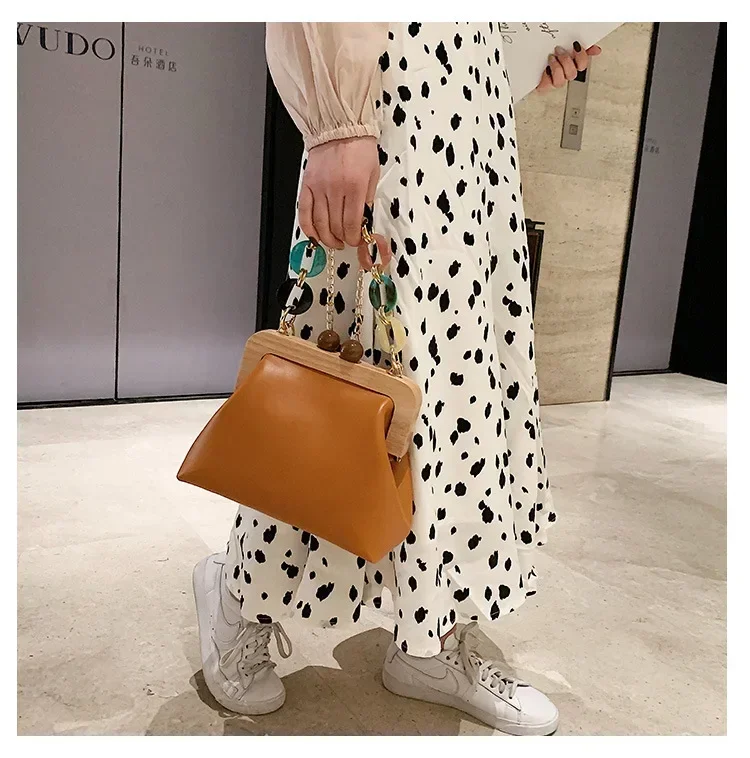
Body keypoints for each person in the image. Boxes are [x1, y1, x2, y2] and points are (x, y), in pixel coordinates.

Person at [192, 22, 601, 736]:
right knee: (336, 383)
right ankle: (239, 594)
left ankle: (429, 638)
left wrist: (527, 59)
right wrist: (337, 126)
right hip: (394, 104)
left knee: (463, 385)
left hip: (475, 120)